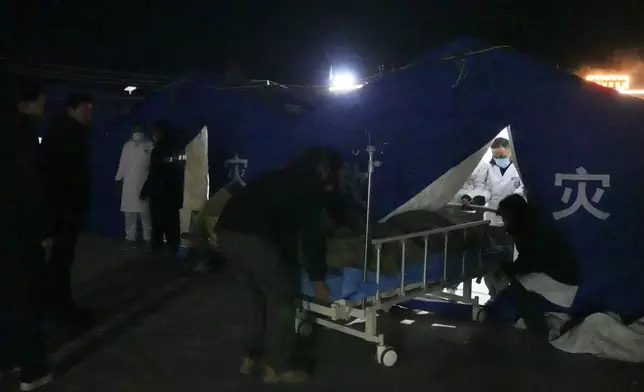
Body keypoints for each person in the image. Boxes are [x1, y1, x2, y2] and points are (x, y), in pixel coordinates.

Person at [216, 147, 342, 384]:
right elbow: (311, 236)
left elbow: (282, 226)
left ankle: (250, 356)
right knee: (282, 299)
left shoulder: (278, 176)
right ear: (324, 169)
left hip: (226, 231)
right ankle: (277, 366)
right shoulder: (310, 185)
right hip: (252, 238)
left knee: (253, 295)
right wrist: (317, 280)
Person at [0, 77, 53, 390]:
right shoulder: (23, 137)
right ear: (26, 105)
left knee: (5, 298)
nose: (43, 109)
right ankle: (33, 371)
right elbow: (30, 189)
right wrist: (43, 229)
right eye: (40, 104)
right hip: (19, 233)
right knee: (28, 299)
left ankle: (8, 360)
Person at [496, 194, 580, 338]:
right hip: (567, 278)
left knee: (519, 286)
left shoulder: (528, 231)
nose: (504, 223)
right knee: (524, 285)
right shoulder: (535, 225)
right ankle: (538, 326)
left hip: (563, 283)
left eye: (505, 218)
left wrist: (506, 270)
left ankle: (538, 332)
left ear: (512, 215)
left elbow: (529, 261)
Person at [41, 92, 93, 326]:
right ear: (71, 110)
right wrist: (64, 210)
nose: (89, 112)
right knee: (60, 261)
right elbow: (59, 177)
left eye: (91, 108)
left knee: (62, 261)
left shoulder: (72, 134)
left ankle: (59, 304)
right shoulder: (66, 136)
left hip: (67, 209)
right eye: (85, 107)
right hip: (63, 211)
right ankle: (60, 308)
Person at [461, 137, 524, 297]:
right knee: (491, 257)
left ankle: (508, 294)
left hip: (512, 222)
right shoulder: (488, 169)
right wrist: (478, 198)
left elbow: (521, 192)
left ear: (510, 151)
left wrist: (509, 207)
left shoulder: (519, 169)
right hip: (492, 221)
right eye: (496, 156)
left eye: (502, 156)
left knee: (509, 259)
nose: (499, 159)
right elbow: (484, 189)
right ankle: (493, 293)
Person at [140, 121, 185, 259]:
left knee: (158, 226)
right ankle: (173, 253)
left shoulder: (158, 150)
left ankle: (156, 256)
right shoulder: (177, 149)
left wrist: (145, 190)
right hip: (173, 194)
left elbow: (155, 173)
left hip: (160, 195)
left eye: (157, 131)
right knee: (172, 226)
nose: (155, 134)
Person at [115, 123, 154, 249]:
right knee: (129, 214)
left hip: (144, 184)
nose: (137, 133)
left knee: (145, 214)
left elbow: (153, 166)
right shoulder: (127, 146)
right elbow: (122, 164)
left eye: (140, 131)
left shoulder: (149, 145)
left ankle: (148, 239)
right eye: (135, 131)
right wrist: (118, 179)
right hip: (128, 185)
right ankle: (130, 238)